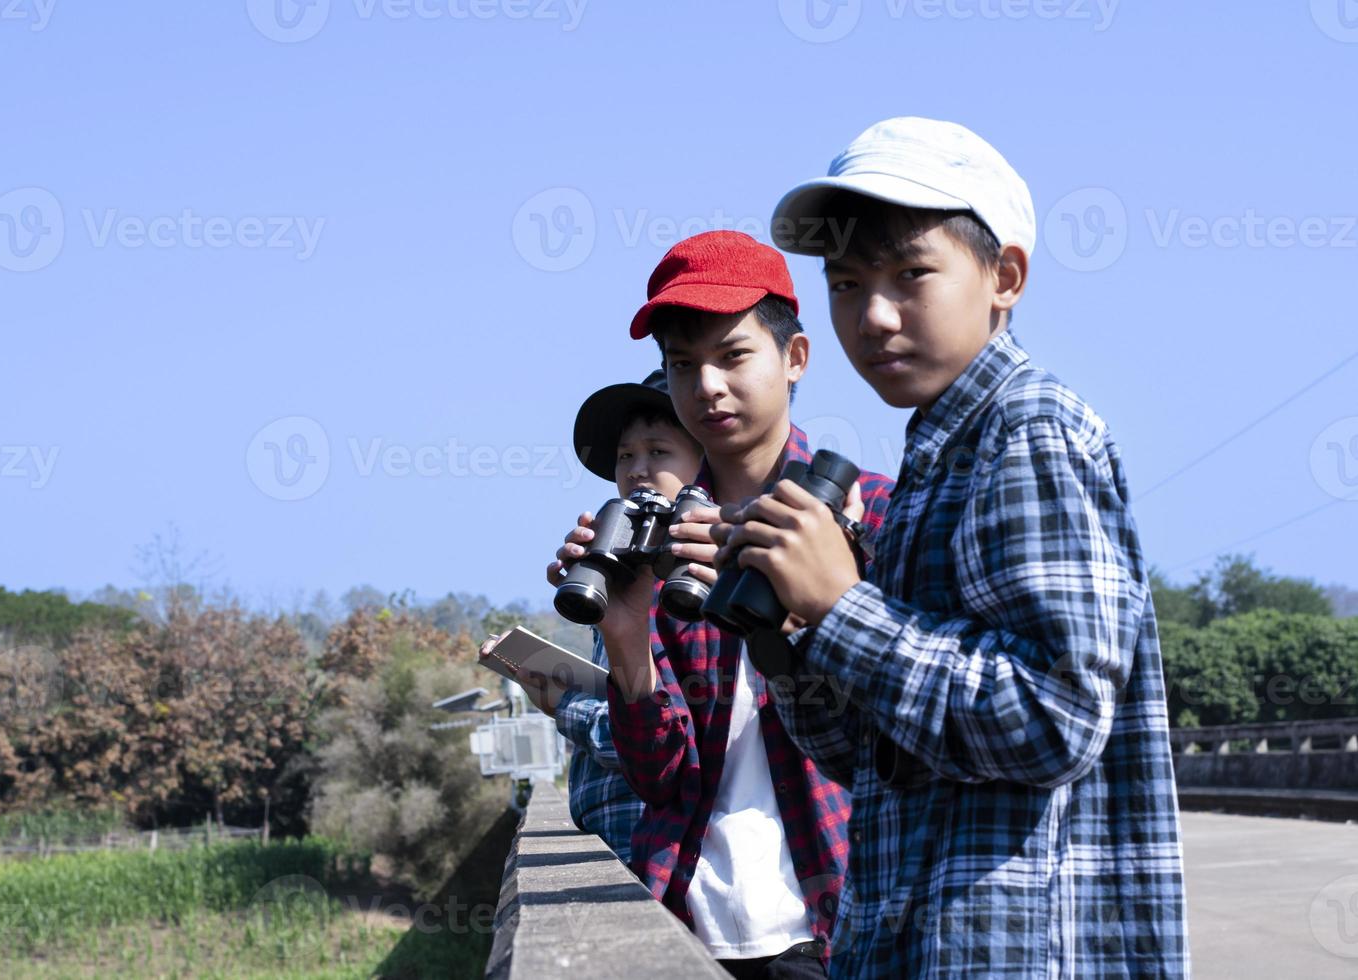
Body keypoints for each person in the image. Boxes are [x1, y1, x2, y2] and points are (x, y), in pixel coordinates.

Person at [714, 117, 1188, 977]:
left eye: (911, 274)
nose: (875, 315)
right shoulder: (933, 460)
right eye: (848, 283)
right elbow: (869, 757)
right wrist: (781, 634)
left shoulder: (1028, 428)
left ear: (1003, 276)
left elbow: (1055, 718)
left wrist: (844, 608)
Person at [548, 231, 896, 979]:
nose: (706, 385)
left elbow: (900, 735)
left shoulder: (878, 514)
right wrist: (626, 635)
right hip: (688, 923)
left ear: (794, 358)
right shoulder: (659, 545)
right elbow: (660, 776)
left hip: (838, 919)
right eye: (682, 365)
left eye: (733, 356)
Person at [498, 370, 703, 865]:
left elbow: (673, 738)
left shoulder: (691, 583)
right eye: (625, 456)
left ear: (706, 462)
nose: (636, 469)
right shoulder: (621, 567)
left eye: (658, 451)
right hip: (613, 838)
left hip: (654, 849)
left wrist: (561, 704)